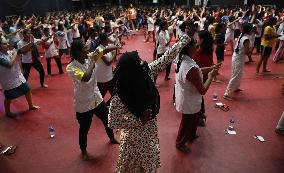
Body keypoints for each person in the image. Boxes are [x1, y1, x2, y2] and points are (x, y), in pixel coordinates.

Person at [108, 33, 190, 172]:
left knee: (149, 166)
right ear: (132, 70)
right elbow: (113, 121)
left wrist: (182, 41)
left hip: (149, 134)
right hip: (132, 141)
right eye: (139, 61)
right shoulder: (120, 96)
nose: (143, 63)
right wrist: (139, 120)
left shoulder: (146, 73)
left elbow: (165, 59)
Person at [66, 39, 118, 161]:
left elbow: (103, 50)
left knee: (107, 119)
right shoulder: (71, 67)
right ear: (78, 52)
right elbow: (85, 78)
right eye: (84, 47)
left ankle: (111, 138)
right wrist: (93, 62)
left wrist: (115, 46)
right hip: (83, 103)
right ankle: (83, 150)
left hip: (96, 97)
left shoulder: (89, 56)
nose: (87, 49)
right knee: (84, 128)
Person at [175, 38, 219, 153]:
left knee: (193, 119)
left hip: (186, 96)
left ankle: (190, 135)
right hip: (189, 99)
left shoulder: (183, 58)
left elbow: (197, 70)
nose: (197, 46)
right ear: (189, 48)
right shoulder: (190, 67)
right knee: (186, 122)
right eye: (195, 44)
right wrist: (210, 76)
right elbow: (203, 90)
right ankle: (180, 143)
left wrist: (209, 68)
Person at [0, 38, 39, 117]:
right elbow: (9, 65)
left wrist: (31, 43)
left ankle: (31, 105)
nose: (8, 45)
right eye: (4, 44)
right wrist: (14, 54)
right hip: (8, 80)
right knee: (9, 97)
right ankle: (8, 112)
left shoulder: (9, 52)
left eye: (7, 43)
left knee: (27, 90)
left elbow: (21, 50)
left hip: (17, 77)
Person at [224, 23, 253, 100]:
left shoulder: (242, 35)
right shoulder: (246, 39)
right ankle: (226, 93)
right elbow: (248, 53)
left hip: (237, 57)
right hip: (238, 58)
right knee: (236, 75)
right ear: (250, 30)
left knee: (238, 74)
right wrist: (251, 48)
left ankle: (236, 87)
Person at [192, 30, 214, 126]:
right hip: (204, 76)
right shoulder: (209, 50)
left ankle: (199, 116)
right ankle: (201, 115)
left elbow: (193, 68)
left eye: (198, 38)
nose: (196, 39)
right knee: (199, 95)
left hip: (198, 76)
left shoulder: (198, 52)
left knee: (196, 96)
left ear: (202, 40)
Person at [95, 33, 116, 98]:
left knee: (114, 94)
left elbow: (113, 46)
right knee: (100, 97)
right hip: (102, 78)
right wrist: (114, 54)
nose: (108, 40)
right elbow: (108, 63)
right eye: (107, 39)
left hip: (108, 76)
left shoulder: (106, 47)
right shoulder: (99, 49)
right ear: (103, 40)